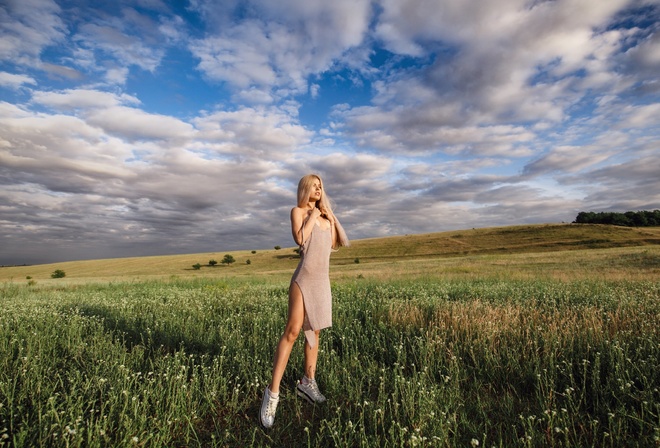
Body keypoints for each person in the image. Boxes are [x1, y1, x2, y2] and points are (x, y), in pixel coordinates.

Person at [260, 174, 350, 429]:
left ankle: (307, 383)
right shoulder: (298, 211)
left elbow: (333, 245)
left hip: (322, 280)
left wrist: (329, 217)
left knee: (315, 331)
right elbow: (300, 239)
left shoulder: (325, 217)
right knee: (293, 331)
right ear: (305, 189)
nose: (319, 189)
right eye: (315, 186)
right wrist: (313, 215)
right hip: (304, 279)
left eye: (321, 186)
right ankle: (272, 393)